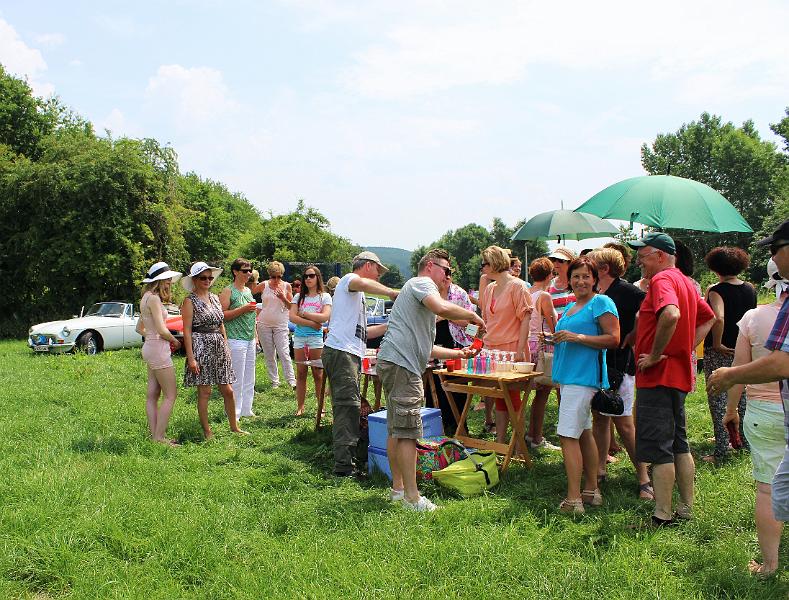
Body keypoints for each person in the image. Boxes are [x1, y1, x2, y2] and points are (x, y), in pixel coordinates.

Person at [708, 219, 789, 575]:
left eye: (774, 249)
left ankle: (770, 563)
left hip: (766, 410)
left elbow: (777, 363)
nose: (772, 254)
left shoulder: (757, 318)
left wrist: (728, 383)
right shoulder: (754, 296)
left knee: (769, 487)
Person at [378, 248, 484, 511]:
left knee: (396, 429)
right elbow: (441, 308)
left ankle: (399, 491)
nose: (448, 277)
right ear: (429, 267)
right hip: (403, 366)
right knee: (409, 433)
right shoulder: (422, 283)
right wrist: (470, 314)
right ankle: (412, 499)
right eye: (446, 271)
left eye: (450, 273)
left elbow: (427, 349)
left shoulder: (419, 303)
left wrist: (460, 352)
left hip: (394, 362)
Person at [628, 233, 715, 527]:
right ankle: (685, 509)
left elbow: (671, 315)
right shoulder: (686, 282)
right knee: (680, 443)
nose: (640, 261)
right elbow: (709, 317)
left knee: (659, 447)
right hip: (678, 375)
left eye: (644, 255)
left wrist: (654, 355)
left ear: (661, 256)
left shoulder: (662, 281)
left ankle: (662, 515)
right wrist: (685, 347)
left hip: (658, 377)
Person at [550, 256, 620, 514]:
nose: (580, 281)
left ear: (594, 280)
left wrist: (576, 336)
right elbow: (571, 338)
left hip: (583, 379)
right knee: (583, 433)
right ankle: (591, 491)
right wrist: (557, 338)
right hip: (568, 378)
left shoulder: (600, 302)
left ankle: (573, 499)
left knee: (567, 436)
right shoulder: (571, 307)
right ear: (569, 280)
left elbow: (614, 339)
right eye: (576, 276)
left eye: (585, 276)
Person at [323, 251, 398, 477]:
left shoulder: (358, 296)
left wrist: (391, 324)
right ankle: (344, 467)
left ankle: (348, 460)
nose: (378, 276)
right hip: (341, 353)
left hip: (347, 353)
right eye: (378, 271)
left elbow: (365, 333)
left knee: (350, 406)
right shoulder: (348, 280)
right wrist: (393, 293)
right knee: (348, 407)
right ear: (367, 266)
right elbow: (361, 282)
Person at [588, 248, 652, 499]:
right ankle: (601, 468)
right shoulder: (596, 293)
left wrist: (634, 334)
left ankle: (644, 477)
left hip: (620, 366)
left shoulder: (627, 291)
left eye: (592, 266)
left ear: (603, 269)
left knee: (624, 424)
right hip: (598, 366)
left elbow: (650, 313)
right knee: (600, 418)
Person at [702, 247, 757, 463]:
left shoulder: (717, 290)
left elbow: (719, 317)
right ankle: (743, 441)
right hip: (743, 347)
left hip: (721, 350)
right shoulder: (751, 289)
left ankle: (722, 449)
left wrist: (717, 342)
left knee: (717, 396)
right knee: (740, 395)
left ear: (715, 267)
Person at [181, 262, 247, 440]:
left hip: (218, 345)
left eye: (210, 277)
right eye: (203, 278)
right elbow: (186, 331)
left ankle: (234, 426)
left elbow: (221, 324)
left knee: (228, 390)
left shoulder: (216, 298)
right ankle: (207, 431)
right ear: (194, 280)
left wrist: (225, 345)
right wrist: (191, 358)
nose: (207, 280)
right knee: (205, 391)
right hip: (200, 345)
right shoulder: (189, 300)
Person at [479, 245, 533, 444]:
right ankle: (501, 442)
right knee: (501, 397)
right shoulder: (490, 288)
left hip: (511, 348)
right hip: (492, 349)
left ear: (493, 264)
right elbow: (487, 320)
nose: (482, 268)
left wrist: (520, 350)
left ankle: (519, 445)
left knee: (513, 398)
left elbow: (526, 319)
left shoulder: (517, 286)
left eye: (484, 264)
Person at [137, 262, 183, 446]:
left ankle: (154, 435)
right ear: (160, 280)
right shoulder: (154, 299)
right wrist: (175, 341)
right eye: (168, 279)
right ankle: (159, 437)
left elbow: (139, 328)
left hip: (149, 347)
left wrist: (152, 337)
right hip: (158, 349)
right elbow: (163, 329)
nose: (170, 282)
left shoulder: (145, 298)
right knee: (171, 394)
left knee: (152, 395)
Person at [430, 273, 474, 434]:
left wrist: (446, 315)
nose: (447, 277)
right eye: (444, 274)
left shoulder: (460, 294)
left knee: (457, 386)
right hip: (433, 346)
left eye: (450, 274)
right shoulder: (429, 293)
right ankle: (437, 425)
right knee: (434, 385)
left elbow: (472, 326)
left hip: (456, 346)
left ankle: (459, 424)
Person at [524, 257, 560, 450]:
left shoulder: (527, 293)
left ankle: (532, 434)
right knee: (543, 393)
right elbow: (554, 325)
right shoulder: (544, 296)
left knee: (532, 394)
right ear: (549, 276)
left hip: (526, 345)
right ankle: (536, 436)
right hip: (541, 346)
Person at [289, 265, 332, 416]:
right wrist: (312, 322)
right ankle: (300, 407)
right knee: (300, 373)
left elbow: (325, 316)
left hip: (315, 338)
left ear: (318, 277)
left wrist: (304, 314)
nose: (308, 278)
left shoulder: (324, 297)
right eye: (306, 276)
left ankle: (321, 407)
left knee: (317, 373)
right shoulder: (298, 297)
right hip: (300, 337)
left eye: (311, 276)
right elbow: (292, 317)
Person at [219, 258, 259, 421]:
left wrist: (256, 336)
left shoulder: (248, 291)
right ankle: (233, 413)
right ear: (235, 272)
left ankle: (246, 409)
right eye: (245, 271)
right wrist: (243, 309)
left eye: (250, 270)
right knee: (236, 378)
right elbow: (222, 315)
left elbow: (251, 316)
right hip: (235, 339)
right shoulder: (228, 291)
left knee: (250, 377)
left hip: (249, 339)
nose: (248, 273)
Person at [254, 261, 296, 390]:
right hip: (264, 323)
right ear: (269, 275)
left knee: (284, 352)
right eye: (273, 276)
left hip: (281, 324)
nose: (276, 279)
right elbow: (248, 291)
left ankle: (291, 381)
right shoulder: (263, 285)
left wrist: (283, 297)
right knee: (269, 354)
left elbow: (292, 307)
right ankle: (275, 382)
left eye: (279, 276)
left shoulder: (287, 286)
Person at [548, 246, 578, 318]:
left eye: (560, 260)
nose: (556, 263)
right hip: (555, 328)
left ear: (570, 263)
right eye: (553, 260)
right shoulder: (549, 284)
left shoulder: (578, 283)